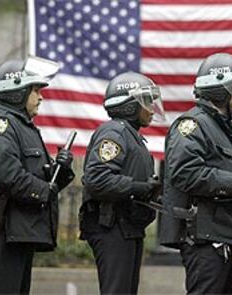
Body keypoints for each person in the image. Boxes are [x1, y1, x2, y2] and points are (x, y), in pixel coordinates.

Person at [159, 53, 232, 294]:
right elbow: (184, 173)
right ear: (219, 90)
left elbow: (226, 187)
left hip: (223, 233)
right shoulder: (192, 125)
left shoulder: (225, 129)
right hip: (204, 237)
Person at [0, 56, 75, 294]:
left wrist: (61, 171)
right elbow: (5, 175)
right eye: (35, 90)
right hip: (0, 232)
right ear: (16, 91)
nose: (40, 97)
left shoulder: (22, 126)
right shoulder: (0, 125)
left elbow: (41, 181)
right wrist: (43, 190)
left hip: (18, 231)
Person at [79, 72, 165, 294]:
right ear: (129, 105)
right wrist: (138, 188)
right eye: (146, 102)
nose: (152, 108)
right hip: (112, 227)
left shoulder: (131, 136)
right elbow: (96, 179)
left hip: (127, 227)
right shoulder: (114, 132)